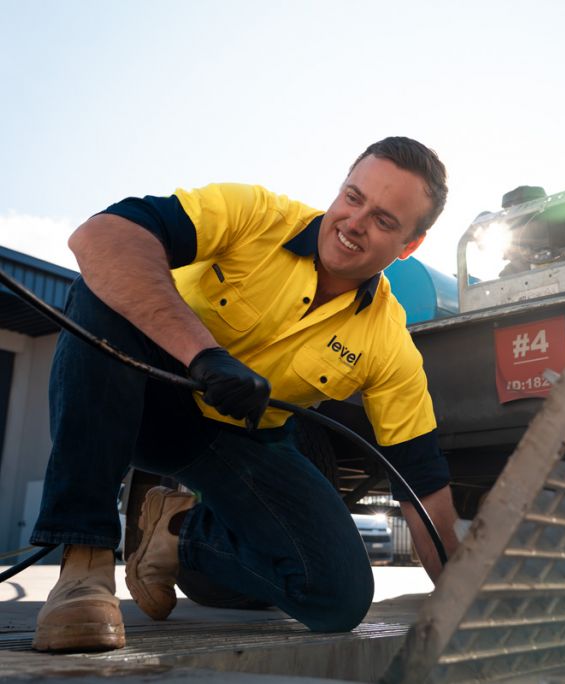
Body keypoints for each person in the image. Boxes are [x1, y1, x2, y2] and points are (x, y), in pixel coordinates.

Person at [29, 136, 460, 653]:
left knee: (338, 597)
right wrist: (202, 354)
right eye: (353, 197)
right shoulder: (256, 215)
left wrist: (465, 600)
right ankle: (84, 566)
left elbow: (422, 482)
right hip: (139, 391)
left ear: (409, 246)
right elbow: (100, 235)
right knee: (102, 289)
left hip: (237, 443)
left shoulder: (389, 343)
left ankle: (178, 534)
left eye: (384, 221)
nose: (354, 223)